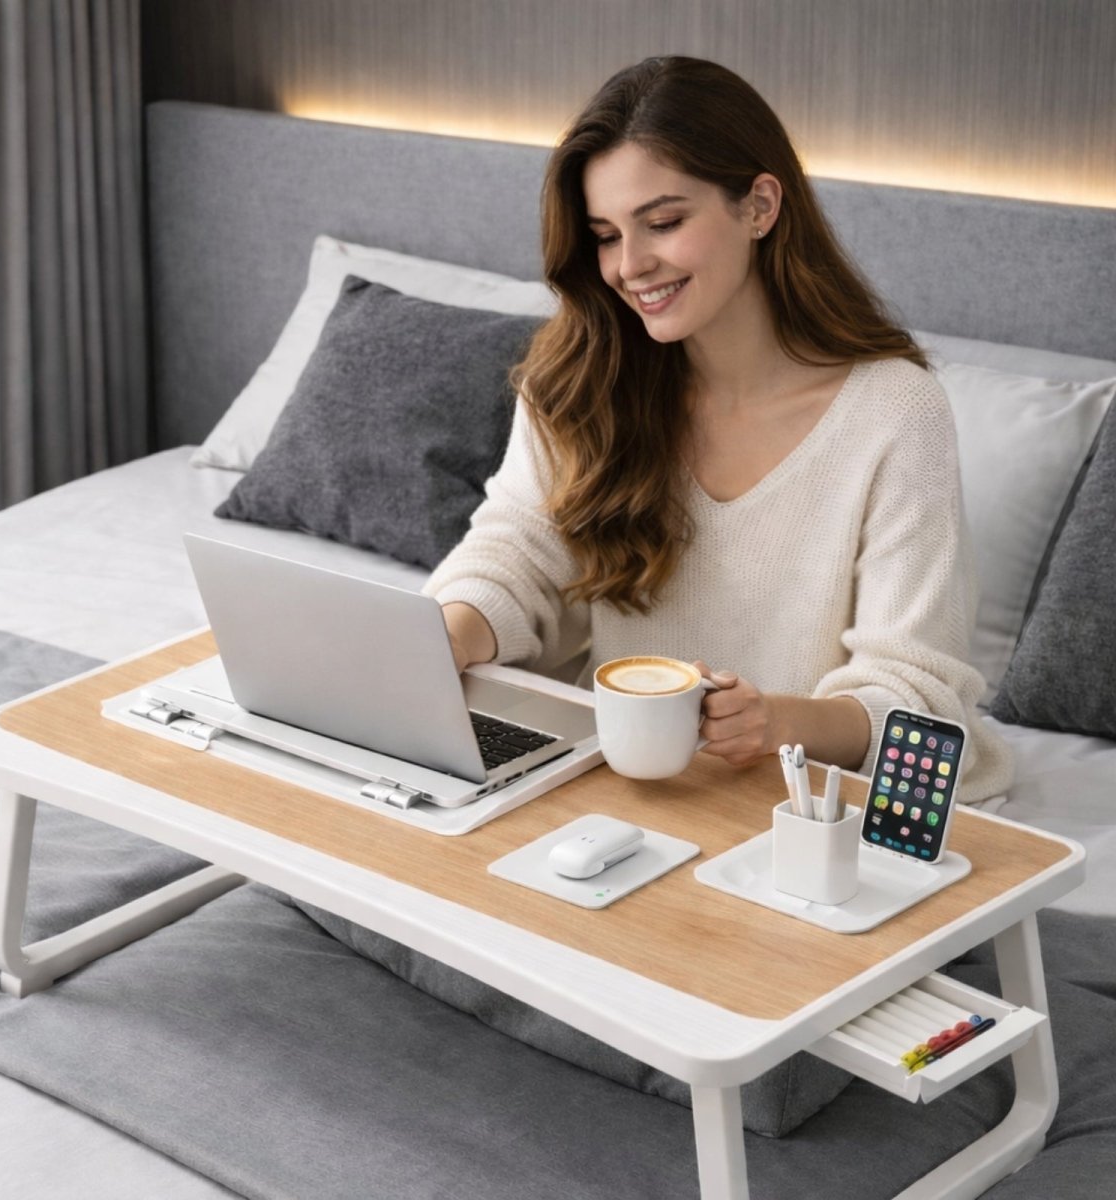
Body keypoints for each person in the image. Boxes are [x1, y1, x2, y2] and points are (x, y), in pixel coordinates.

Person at [426, 55, 1012, 802]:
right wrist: (449, 636)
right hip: (616, 788)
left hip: (806, 811)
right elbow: (517, 551)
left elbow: (918, 695)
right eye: (606, 235)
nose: (630, 266)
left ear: (760, 206)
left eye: (663, 222)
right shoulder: (579, 377)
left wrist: (774, 721)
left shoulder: (897, 413)